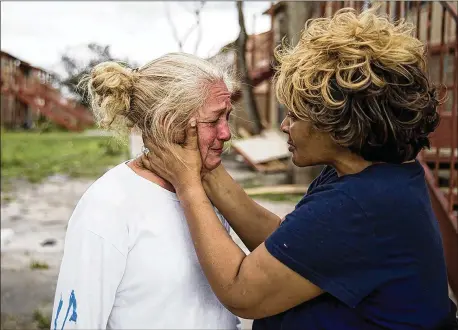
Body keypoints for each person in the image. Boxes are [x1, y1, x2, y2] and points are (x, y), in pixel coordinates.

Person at [140, 7, 458, 330]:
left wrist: (188, 186)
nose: (284, 125)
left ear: (335, 123)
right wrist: (208, 172)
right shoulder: (370, 177)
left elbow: (240, 290)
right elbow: (289, 245)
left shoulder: (361, 206)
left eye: (295, 114)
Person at [50, 53, 241, 329]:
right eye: (213, 121)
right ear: (168, 122)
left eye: (228, 117)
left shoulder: (208, 191)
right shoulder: (109, 205)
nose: (226, 133)